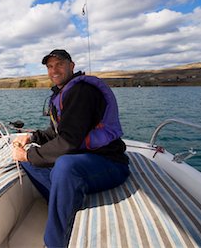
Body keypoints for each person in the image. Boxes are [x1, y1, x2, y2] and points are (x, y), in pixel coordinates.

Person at [12, 49, 130, 247]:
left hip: (109, 162)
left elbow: (67, 142)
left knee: (63, 164)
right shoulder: (64, 93)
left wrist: (29, 155)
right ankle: (64, 199)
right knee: (30, 163)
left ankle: (55, 243)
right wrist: (31, 138)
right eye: (50, 66)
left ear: (71, 66)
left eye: (59, 64)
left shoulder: (81, 92)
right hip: (84, 160)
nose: (54, 70)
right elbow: (56, 132)